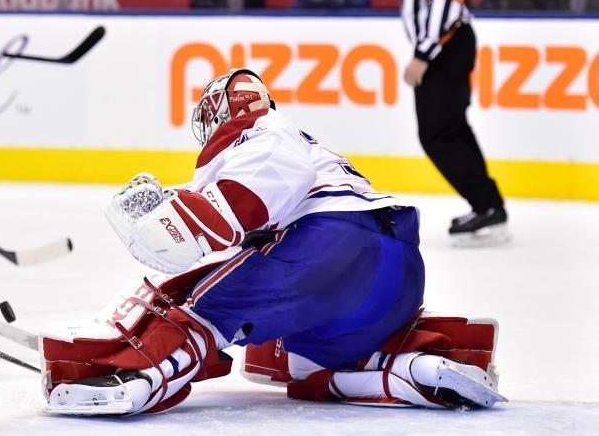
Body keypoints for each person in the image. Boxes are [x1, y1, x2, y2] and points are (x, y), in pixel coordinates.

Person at [39, 68, 508, 414]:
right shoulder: (312, 145)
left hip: (331, 248)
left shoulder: (265, 130)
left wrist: (181, 222)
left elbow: (247, 201)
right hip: (398, 270)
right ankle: (414, 371)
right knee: (306, 368)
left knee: (200, 309)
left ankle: (135, 379)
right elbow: (256, 233)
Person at [399, 0, 508, 244]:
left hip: (445, 45)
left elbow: (445, 0)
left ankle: (487, 204)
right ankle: (488, 205)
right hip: (443, 45)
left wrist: (423, 53)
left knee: (437, 132)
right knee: (451, 128)